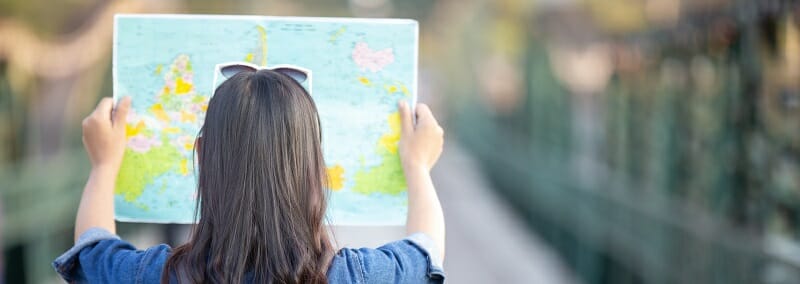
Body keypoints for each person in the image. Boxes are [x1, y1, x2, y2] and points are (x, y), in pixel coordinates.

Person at [52, 69, 446, 283]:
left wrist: (104, 166)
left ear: (203, 157)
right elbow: (425, 251)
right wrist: (417, 167)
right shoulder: (353, 276)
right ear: (315, 166)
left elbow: (91, 251)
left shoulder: (157, 275)